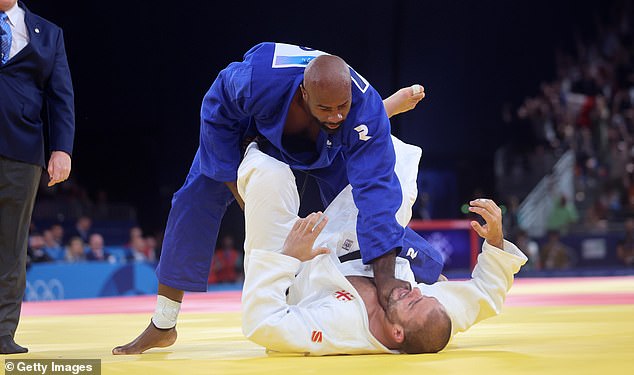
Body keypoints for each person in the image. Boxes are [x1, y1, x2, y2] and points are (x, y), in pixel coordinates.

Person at [113, 42, 425, 355]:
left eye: (341, 106)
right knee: (193, 198)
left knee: (359, 210)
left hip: (327, 146)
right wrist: (240, 191)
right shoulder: (255, 81)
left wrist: (386, 282)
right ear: (304, 93)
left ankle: (426, 267)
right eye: (326, 109)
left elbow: (377, 194)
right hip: (251, 129)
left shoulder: (360, 108)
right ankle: (163, 323)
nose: (335, 114)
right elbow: (215, 108)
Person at [238, 140, 527, 355]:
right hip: (350, 243)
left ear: (397, 333)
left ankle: (245, 145)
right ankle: (368, 122)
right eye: (422, 294)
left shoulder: (341, 328)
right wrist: (496, 238)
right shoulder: (432, 312)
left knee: (268, 173)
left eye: (412, 301)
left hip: (290, 268)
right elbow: (487, 294)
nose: (416, 289)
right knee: (394, 167)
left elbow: (262, 323)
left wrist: (288, 259)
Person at [0, 0, 74, 354]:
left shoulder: (49, 33)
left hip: (22, 150)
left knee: (11, 247)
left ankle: (1, 335)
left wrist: (62, 149)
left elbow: (60, 96)